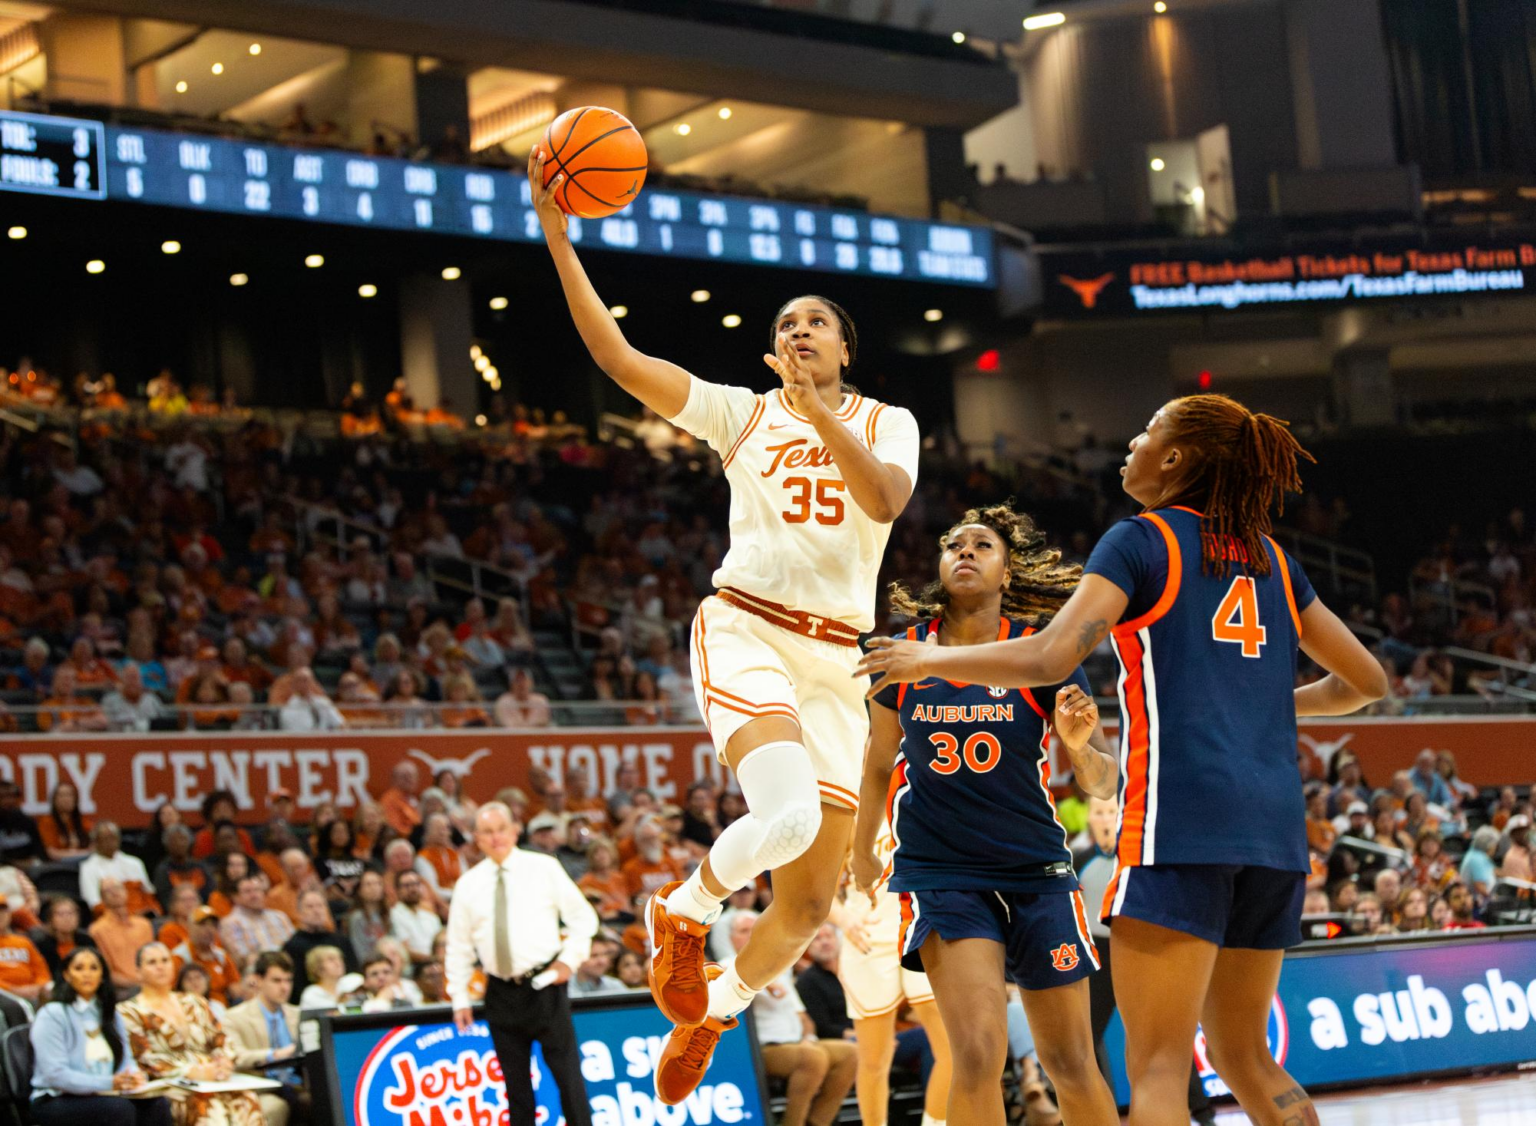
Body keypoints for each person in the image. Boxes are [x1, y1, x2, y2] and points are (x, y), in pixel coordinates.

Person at [857, 394, 1387, 1126]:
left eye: (1145, 434)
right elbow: (1369, 684)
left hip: (1182, 821)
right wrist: (1250, 701)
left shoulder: (1141, 540)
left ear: (1173, 460)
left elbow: (1049, 656)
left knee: (1159, 1067)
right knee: (1245, 1056)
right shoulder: (1272, 557)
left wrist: (926, 658)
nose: (1130, 444)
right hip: (1274, 832)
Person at [534, 147, 921, 1103]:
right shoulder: (742, 417)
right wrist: (556, 232)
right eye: (785, 323)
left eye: (816, 324)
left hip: (841, 660)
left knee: (809, 897)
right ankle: (683, 907)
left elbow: (881, 503)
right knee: (784, 816)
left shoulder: (886, 422)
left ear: (844, 351)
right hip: (748, 627)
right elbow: (619, 359)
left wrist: (816, 414)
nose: (798, 332)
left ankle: (715, 1011)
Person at [851, 503, 1119, 1126]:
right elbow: (876, 762)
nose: (965, 552)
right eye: (953, 545)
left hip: (1036, 869)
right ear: (941, 566)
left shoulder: (1040, 651)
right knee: (976, 1053)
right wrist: (864, 846)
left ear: (1006, 573)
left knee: (1072, 1060)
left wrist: (1080, 751)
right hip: (942, 871)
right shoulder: (903, 652)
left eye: (982, 546)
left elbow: (1107, 781)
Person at [446, 803, 598, 1126]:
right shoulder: (468, 885)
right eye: (487, 831)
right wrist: (459, 995)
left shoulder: (543, 868)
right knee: (515, 1088)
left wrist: (569, 961)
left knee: (567, 1078)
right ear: (476, 838)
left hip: (545, 985)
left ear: (515, 830)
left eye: (501, 828)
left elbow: (584, 918)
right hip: (499, 990)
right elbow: (458, 945)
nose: (495, 837)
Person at [1080, 796, 1215, 1125]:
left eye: (1112, 810)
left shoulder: (1139, 855)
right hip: (1096, 951)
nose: (1106, 818)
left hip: (1136, 947)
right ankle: (1104, 1112)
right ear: (1089, 819)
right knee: (1087, 1037)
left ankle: (1202, 1112)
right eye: (1099, 812)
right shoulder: (1078, 859)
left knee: (1162, 1037)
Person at [730, 912, 857, 1126]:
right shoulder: (726, 967)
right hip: (763, 1049)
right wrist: (763, 982)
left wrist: (809, 1036)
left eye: (755, 929)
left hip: (798, 1043)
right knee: (812, 1058)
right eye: (744, 931)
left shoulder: (779, 968)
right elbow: (725, 978)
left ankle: (817, 1122)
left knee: (851, 1053)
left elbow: (802, 1015)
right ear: (732, 939)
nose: (751, 935)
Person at [119, 942, 265, 1126]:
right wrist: (191, 1071)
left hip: (214, 1078)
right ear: (138, 971)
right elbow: (142, 1059)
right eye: (152, 962)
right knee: (209, 1108)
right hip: (172, 1084)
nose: (160, 966)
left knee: (248, 1099)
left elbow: (221, 1039)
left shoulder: (195, 1001)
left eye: (165, 960)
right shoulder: (128, 1011)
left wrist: (224, 1061)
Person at [29, 947, 171, 1126]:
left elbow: (126, 1059)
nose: (87, 974)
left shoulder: (109, 1012)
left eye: (94, 968)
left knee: (158, 1104)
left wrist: (133, 1077)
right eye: (79, 968)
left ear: (102, 975)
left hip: (106, 1092)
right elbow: (54, 1075)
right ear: (66, 974)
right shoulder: (52, 1014)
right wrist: (108, 1083)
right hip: (56, 1098)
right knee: (118, 1109)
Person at [223, 952, 303, 1126]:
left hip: (298, 1084)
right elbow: (236, 1056)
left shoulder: (298, 1015)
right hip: (261, 1088)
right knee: (276, 1107)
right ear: (257, 980)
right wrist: (274, 1054)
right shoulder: (235, 1017)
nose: (284, 987)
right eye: (277, 980)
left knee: (326, 1097)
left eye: (288, 980)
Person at [81, 822, 160, 916]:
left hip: (143, 916)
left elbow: (149, 894)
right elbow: (94, 904)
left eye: (113, 837)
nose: (110, 842)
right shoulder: (89, 867)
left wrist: (154, 911)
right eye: (105, 838)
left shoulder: (135, 863)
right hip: (113, 918)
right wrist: (127, 915)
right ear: (95, 842)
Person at [89, 878, 155, 990]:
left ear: (126, 892)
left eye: (118, 888)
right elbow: (106, 971)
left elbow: (154, 959)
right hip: (123, 990)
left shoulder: (144, 924)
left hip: (152, 983)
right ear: (102, 898)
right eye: (108, 891)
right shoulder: (97, 930)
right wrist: (138, 986)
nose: (115, 892)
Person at [284, 889, 351, 998]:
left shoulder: (341, 940)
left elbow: (352, 972)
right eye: (310, 907)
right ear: (299, 912)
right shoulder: (292, 947)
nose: (316, 911)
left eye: (320, 906)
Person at [170, 906, 241, 1007]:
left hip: (223, 1011)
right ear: (189, 927)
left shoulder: (221, 956)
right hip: (192, 1009)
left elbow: (236, 990)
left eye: (213, 925)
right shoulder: (179, 957)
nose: (209, 930)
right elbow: (172, 994)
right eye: (202, 924)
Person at [219, 875, 295, 966]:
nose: (254, 895)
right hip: (257, 971)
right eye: (247, 892)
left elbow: (294, 946)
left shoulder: (279, 916)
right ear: (236, 897)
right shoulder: (230, 923)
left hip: (287, 967)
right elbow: (241, 958)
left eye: (257, 890)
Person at [0, 892, 50, 1001]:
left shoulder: (24, 942)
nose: (0, 915)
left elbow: (42, 971)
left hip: (33, 995)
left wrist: (38, 987)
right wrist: (12, 990)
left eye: (3, 910)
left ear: (9, 913)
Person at [389, 869, 442, 965]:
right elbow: (404, 951)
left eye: (416, 884)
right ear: (397, 890)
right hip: (414, 966)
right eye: (407, 886)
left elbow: (441, 942)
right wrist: (433, 959)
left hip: (437, 963)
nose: (412, 889)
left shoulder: (430, 916)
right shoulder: (393, 915)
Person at [34, 894, 95, 977]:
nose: (67, 918)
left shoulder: (87, 941)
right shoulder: (43, 945)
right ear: (51, 919)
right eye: (60, 914)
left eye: (71, 913)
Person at [153, 824, 211, 908]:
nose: (179, 843)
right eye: (174, 840)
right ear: (166, 844)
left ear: (189, 842)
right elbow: (165, 899)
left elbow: (210, 891)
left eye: (182, 839)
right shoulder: (163, 869)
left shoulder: (200, 866)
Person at [40, 780, 93, 861]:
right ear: (54, 800)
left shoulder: (82, 821)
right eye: (61, 795)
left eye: (69, 795)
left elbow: (95, 842)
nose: (66, 799)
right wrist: (80, 854)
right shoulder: (47, 822)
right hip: (59, 867)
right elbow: (51, 853)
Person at [346, 868, 389, 966]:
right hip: (369, 966)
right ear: (360, 890)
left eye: (378, 883)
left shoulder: (388, 915)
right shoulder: (357, 918)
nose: (374, 888)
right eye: (368, 884)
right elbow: (359, 951)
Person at [298, 945, 351, 1010]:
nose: (338, 963)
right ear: (317, 967)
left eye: (340, 958)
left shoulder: (353, 982)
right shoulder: (312, 994)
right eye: (331, 959)